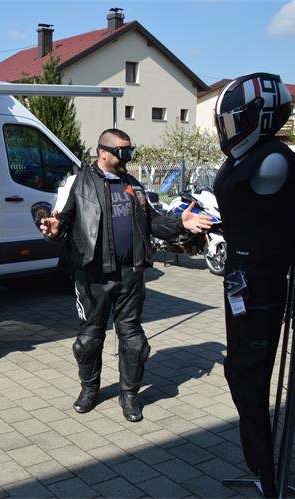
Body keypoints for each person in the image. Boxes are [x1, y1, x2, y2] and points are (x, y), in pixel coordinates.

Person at [40, 128, 213, 422]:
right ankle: (89, 390)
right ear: (103, 152)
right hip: (92, 275)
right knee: (88, 340)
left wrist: (179, 222)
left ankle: (129, 395)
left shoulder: (133, 185)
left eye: (131, 151)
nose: (128, 158)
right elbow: (61, 223)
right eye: (123, 152)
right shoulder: (77, 183)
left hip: (131, 274)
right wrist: (54, 231)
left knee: (134, 340)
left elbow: (153, 222)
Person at [212, 73, 295, 498]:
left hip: (261, 286)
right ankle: (262, 466)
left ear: (258, 117)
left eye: (233, 120)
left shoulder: (273, 161)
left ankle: (267, 470)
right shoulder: (245, 157)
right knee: (238, 371)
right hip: (239, 280)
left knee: (249, 376)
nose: (227, 130)